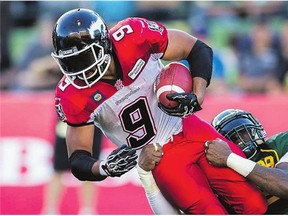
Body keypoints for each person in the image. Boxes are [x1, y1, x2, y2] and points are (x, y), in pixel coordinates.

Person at [51, 8, 267, 214]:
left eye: (84, 56)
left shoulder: (132, 35)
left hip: (190, 128)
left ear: (104, 44)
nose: (78, 68)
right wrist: (105, 167)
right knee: (209, 212)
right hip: (159, 157)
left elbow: (196, 49)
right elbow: (79, 159)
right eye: (70, 61)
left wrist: (196, 96)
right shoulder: (71, 93)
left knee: (255, 204)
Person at [205, 109, 288, 214]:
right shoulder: (220, 169)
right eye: (233, 137)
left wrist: (229, 159)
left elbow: (286, 184)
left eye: (244, 132)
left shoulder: (280, 143)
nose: (240, 139)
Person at [42, 120, 103, 214]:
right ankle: (50, 210)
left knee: (90, 170)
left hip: (92, 124)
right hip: (68, 123)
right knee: (58, 169)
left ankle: (88, 210)